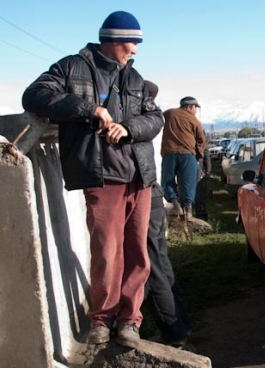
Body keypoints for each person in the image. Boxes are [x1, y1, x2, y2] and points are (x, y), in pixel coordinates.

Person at [22, 11, 164, 349]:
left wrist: (129, 128)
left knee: (138, 253)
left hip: (139, 177)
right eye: (133, 42)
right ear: (114, 40)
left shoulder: (135, 78)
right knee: (106, 252)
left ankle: (130, 321)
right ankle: (102, 320)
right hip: (102, 177)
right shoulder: (72, 68)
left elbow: (155, 118)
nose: (136, 50)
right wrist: (89, 110)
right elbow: (34, 95)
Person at [143, 81, 192, 348]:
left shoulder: (156, 116)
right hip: (152, 190)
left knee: (150, 264)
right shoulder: (152, 116)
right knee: (159, 260)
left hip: (142, 190)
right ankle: (181, 324)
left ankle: (175, 332)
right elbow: (200, 140)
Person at [161, 97, 207, 219]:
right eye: (195, 108)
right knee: (189, 182)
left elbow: (156, 119)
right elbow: (201, 140)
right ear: (189, 107)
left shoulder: (169, 113)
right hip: (188, 154)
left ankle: (175, 205)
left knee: (167, 179)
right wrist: (197, 156)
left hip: (169, 153)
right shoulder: (194, 120)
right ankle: (188, 211)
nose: (196, 110)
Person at [194, 141, 211, 221]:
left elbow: (207, 158)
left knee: (199, 195)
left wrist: (208, 170)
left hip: (198, 172)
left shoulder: (202, 144)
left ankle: (201, 215)